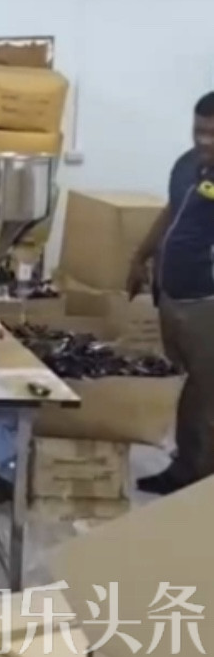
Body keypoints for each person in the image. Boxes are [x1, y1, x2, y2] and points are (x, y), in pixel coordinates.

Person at [126, 91, 214, 495]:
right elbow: (171, 210)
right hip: (172, 294)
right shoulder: (186, 165)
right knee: (183, 387)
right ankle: (185, 468)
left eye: (213, 135)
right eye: (199, 132)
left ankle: (200, 486)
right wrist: (140, 256)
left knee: (206, 394)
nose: (204, 142)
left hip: (206, 301)